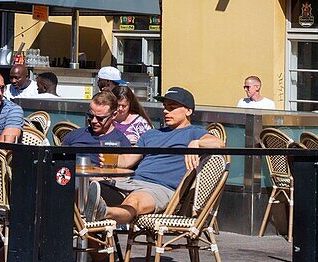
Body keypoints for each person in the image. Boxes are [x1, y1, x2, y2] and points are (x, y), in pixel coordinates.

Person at [90, 87, 221, 226]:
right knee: (85, 187)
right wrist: (112, 159)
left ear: (188, 111)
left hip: (161, 189)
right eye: (165, 107)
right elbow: (128, 160)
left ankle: (104, 213)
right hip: (131, 183)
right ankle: (89, 235)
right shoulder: (152, 134)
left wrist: (197, 143)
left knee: (134, 201)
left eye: (172, 108)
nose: (166, 111)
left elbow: (219, 144)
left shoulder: (194, 133)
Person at [61, 91, 132, 153]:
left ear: (114, 115)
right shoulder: (74, 136)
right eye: (91, 116)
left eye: (100, 118)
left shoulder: (121, 142)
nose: (94, 121)